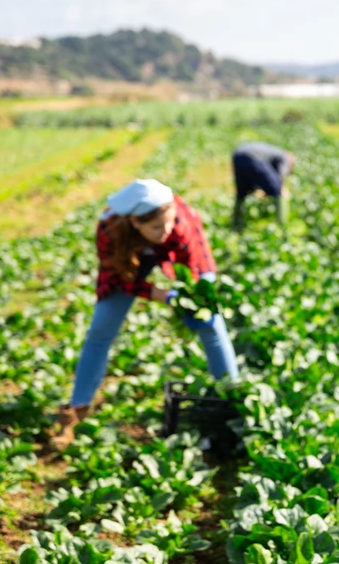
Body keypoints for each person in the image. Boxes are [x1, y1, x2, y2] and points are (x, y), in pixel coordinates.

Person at [50, 179, 239, 451]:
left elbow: (198, 269)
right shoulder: (110, 229)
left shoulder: (179, 225)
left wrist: (198, 298)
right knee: (100, 330)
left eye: (168, 223)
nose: (164, 231)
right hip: (128, 255)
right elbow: (121, 278)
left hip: (183, 245)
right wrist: (161, 295)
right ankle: (77, 410)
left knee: (211, 323)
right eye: (156, 227)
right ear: (135, 223)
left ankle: (231, 401)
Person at [231, 141, 296, 232]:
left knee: (242, 192)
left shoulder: (272, 152)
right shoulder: (285, 158)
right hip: (252, 156)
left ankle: (235, 225)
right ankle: (282, 228)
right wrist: (282, 189)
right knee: (278, 190)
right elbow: (280, 177)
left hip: (238, 155)